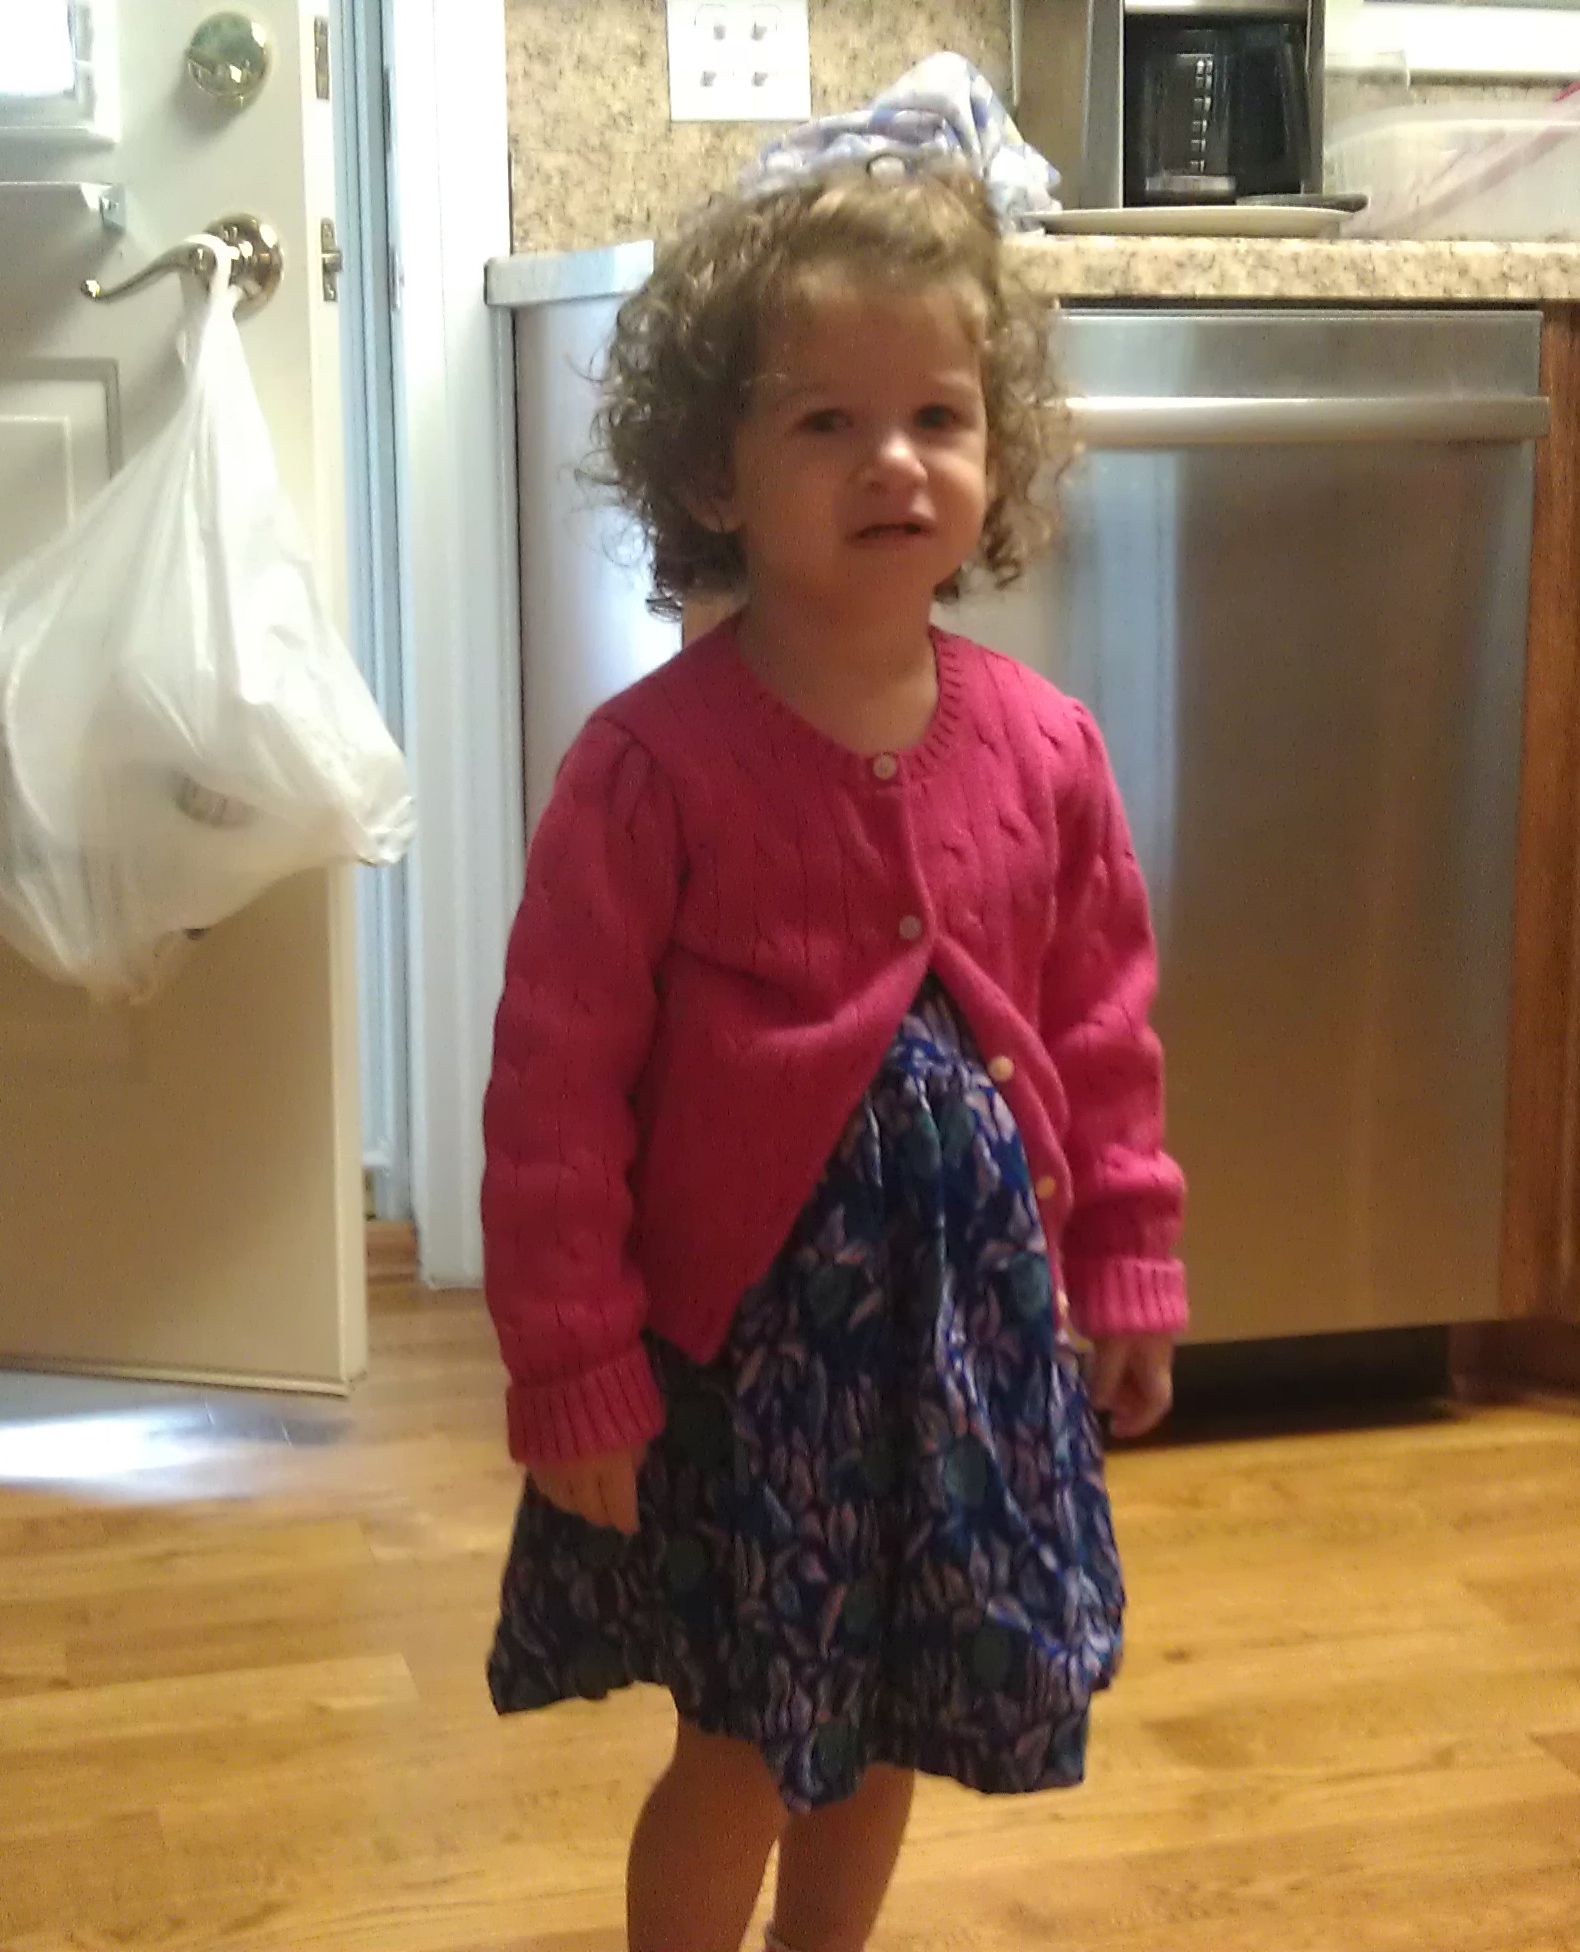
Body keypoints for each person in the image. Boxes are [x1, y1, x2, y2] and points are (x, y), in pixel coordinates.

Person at [475, 158, 1189, 1951]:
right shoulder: (649, 770)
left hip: (961, 1359)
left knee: (892, 1728)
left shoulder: (1045, 749)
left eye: (939, 418)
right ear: (715, 472)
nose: (894, 462)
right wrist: (572, 1368)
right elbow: (555, 1096)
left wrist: (1129, 1267)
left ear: (998, 455)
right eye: (827, 422)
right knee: (740, 1747)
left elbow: (1102, 1034)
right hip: (745, 1385)